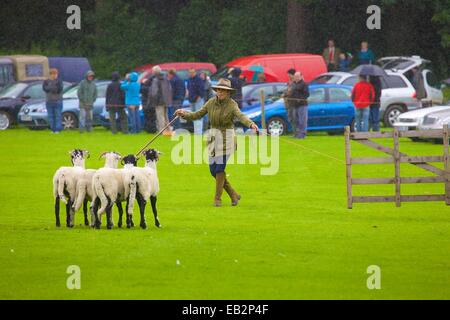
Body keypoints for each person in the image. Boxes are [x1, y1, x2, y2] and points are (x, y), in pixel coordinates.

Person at [175, 78, 259, 207]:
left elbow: (241, 116)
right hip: (213, 139)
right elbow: (197, 115)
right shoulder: (210, 103)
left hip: (228, 139)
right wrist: (184, 114)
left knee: (220, 168)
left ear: (228, 92)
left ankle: (217, 199)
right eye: (219, 90)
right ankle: (233, 194)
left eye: (223, 91)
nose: (220, 92)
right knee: (213, 171)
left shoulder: (232, 104)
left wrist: (251, 124)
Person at [149, 65, 173, 135]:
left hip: (158, 101)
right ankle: (168, 130)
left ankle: (161, 131)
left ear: (154, 72)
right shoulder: (166, 78)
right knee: (166, 116)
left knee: (160, 116)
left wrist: (152, 100)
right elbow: (170, 89)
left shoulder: (155, 80)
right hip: (166, 100)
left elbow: (154, 92)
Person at [42, 68, 64, 133]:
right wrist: (53, 87)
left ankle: (57, 130)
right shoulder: (46, 81)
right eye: (53, 74)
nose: (54, 75)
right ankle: (52, 129)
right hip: (49, 101)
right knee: (51, 117)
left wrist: (51, 87)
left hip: (58, 101)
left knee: (58, 116)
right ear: (50, 74)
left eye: (56, 74)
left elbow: (59, 89)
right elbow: (45, 88)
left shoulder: (59, 81)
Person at [290, 72, 309, 139]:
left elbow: (307, 94)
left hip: (302, 105)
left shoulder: (304, 84)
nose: (296, 78)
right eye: (295, 76)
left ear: (301, 76)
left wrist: (300, 99)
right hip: (294, 105)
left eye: (297, 76)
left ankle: (302, 134)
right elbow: (291, 93)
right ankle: (297, 134)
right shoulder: (293, 84)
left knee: (302, 120)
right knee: (295, 120)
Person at [187, 69, 206, 134]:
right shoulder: (189, 79)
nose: (190, 74)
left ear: (195, 72)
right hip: (191, 100)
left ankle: (199, 132)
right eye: (189, 72)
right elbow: (188, 89)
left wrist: (199, 97)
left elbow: (202, 89)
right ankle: (196, 131)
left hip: (198, 100)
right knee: (193, 116)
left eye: (192, 72)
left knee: (199, 116)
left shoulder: (199, 79)